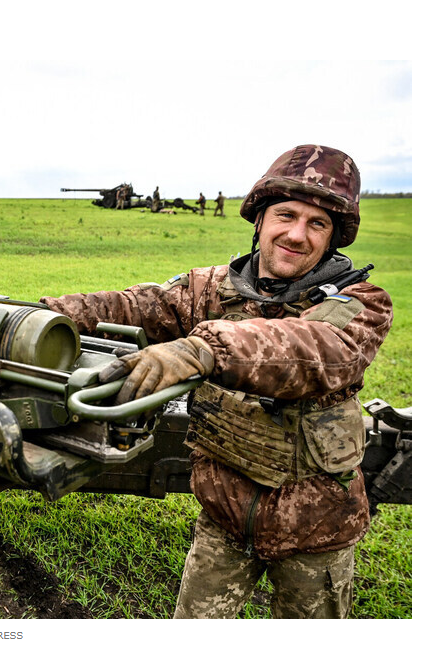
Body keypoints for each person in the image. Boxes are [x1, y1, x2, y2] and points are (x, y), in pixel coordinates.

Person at [40, 145, 392, 618]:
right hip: (223, 520)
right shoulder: (208, 289)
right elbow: (132, 305)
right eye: (285, 215)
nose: (296, 234)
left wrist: (203, 348)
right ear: (259, 220)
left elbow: (315, 349)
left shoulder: (362, 303)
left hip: (316, 534)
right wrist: (41, 316)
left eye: (317, 223)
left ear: (332, 238)